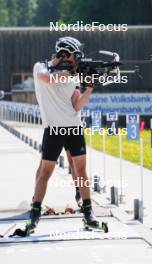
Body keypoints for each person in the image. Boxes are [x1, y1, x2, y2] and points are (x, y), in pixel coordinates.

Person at [27, 36, 98, 233]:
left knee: (82, 171)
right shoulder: (40, 67)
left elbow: (76, 105)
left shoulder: (72, 75)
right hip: (54, 128)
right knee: (45, 172)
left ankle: (88, 211)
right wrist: (71, 72)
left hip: (74, 127)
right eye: (74, 56)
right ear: (64, 54)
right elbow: (49, 79)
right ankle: (35, 211)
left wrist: (90, 88)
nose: (76, 61)